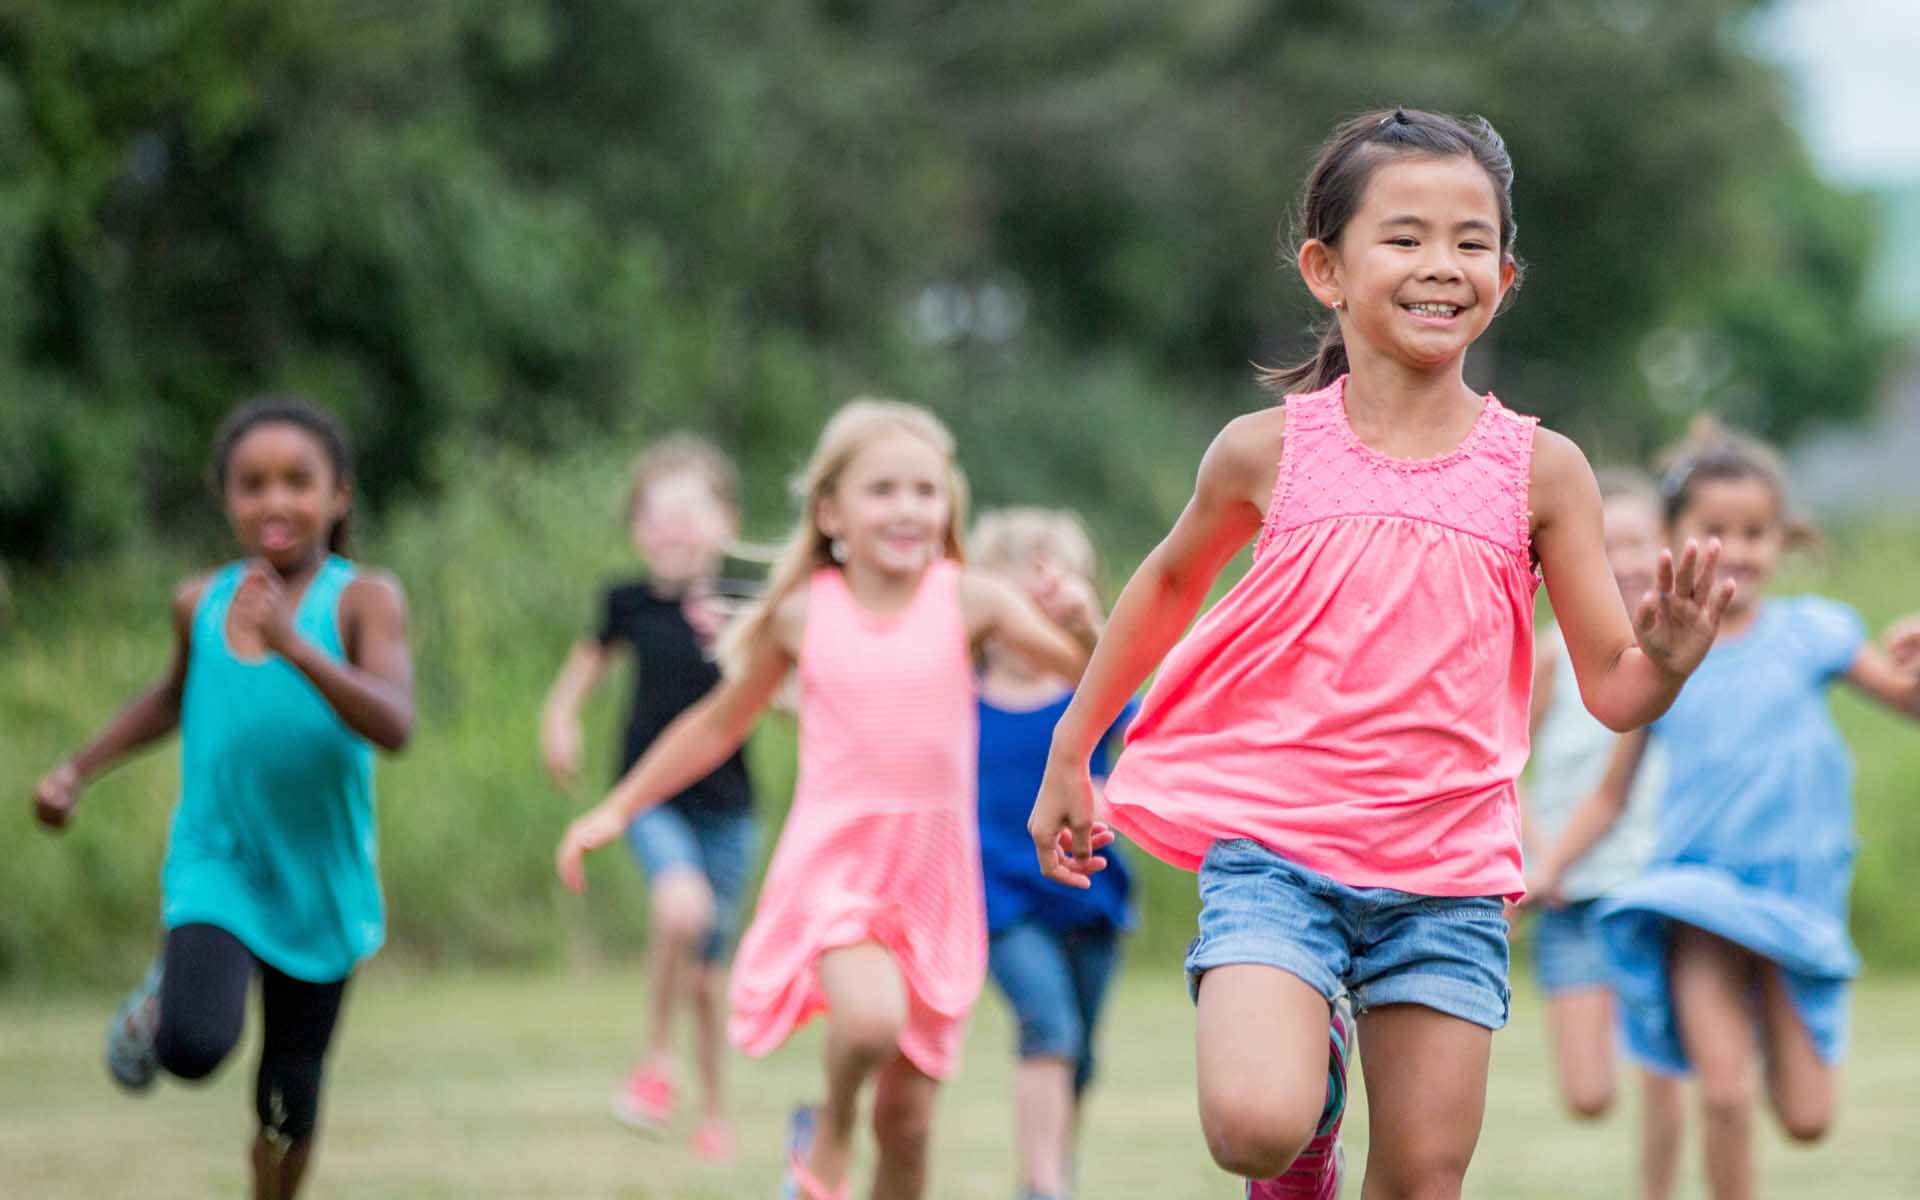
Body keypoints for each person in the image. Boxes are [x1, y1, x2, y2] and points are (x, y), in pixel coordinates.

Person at [1027, 107, 1732, 1200]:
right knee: (1254, 1127)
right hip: (1278, 853)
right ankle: (1312, 1130)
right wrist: (1074, 747)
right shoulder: (1265, 451)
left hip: (1446, 876)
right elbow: (1165, 587)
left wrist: (1671, 662)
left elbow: (1614, 688)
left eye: (1471, 241)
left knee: (1421, 1179)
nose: (1442, 264)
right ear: (1327, 269)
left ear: (1504, 276)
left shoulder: (1545, 472)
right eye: (1405, 237)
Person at [555, 400, 1098, 1200]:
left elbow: (1087, 678)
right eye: (883, 490)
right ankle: (833, 1124)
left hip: (935, 879)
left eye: (925, 490)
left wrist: (1087, 625)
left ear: (948, 505)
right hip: (837, 868)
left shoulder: (971, 600)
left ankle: (849, 1135)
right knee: (870, 1021)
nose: (907, 508)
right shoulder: (804, 614)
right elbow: (715, 725)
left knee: (908, 1127)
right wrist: (619, 807)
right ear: (830, 511)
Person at [31, 397, 413, 1200]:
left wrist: (293, 646)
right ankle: (169, 992)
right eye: (252, 484)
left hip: (321, 877)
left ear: (339, 495)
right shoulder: (198, 602)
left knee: (287, 1104)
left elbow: (394, 722)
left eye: (297, 481)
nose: (276, 500)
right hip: (219, 859)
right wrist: (76, 770)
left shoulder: (363, 599)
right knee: (194, 1044)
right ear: (227, 499)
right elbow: (169, 698)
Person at [1536, 421, 1920, 1200]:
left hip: (1794, 901)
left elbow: (1905, 702)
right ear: (1672, 535)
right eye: (1716, 530)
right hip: (1697, 897)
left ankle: (1771, 1017)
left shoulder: (1816, 633)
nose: (1738, 550)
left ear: (1782, 537)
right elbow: (1610, 795)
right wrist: (1546, 870)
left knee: (1807, 1119)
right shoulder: (1661, 659)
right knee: (1724, 1096)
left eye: (1756, 533)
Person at [540, 435, 758, 1160]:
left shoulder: (746, 603)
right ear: (638, 531)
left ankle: (714, 1111)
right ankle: (657, 1061)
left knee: (707, 975)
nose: (674, 529)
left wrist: (738, 645)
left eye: (690, 513)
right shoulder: (626, 602)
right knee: (680, 907)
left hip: (730, 810)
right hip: (646, 797)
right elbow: (580, 676)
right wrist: (560, 722)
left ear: (727, 524)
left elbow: (788, 699)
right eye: (659, 516)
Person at [1518, 469, 1685, 1199]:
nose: (1625, 560)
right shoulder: (1552, 654)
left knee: (1663, 1073)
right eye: (1606, 544)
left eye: (1639, 542)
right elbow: (1507, 763)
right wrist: (1538, 860)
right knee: (1588, 1095)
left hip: (1659, 887)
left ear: (1667, 544)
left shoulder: (1685, 652)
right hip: (1569, 893)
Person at [970, 508, 1135, 1200]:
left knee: (1081, 1054)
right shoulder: (961, 697)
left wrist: (1091, 628)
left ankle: (1051, 1169)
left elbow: (1135, 714)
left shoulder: (1085, 692)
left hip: (1088, 891)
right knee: (1049, 1025)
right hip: (999, 897)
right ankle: (1045, 1187)